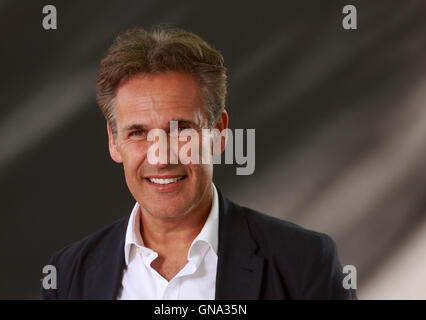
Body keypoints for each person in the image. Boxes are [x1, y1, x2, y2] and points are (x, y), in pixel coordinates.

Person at [41, 26, 357, 300]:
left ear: (218, 133)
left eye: (181, 130)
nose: (161, 157)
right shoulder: (68, 276)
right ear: (114, 141)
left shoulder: (303, 262)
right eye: (138, 132)